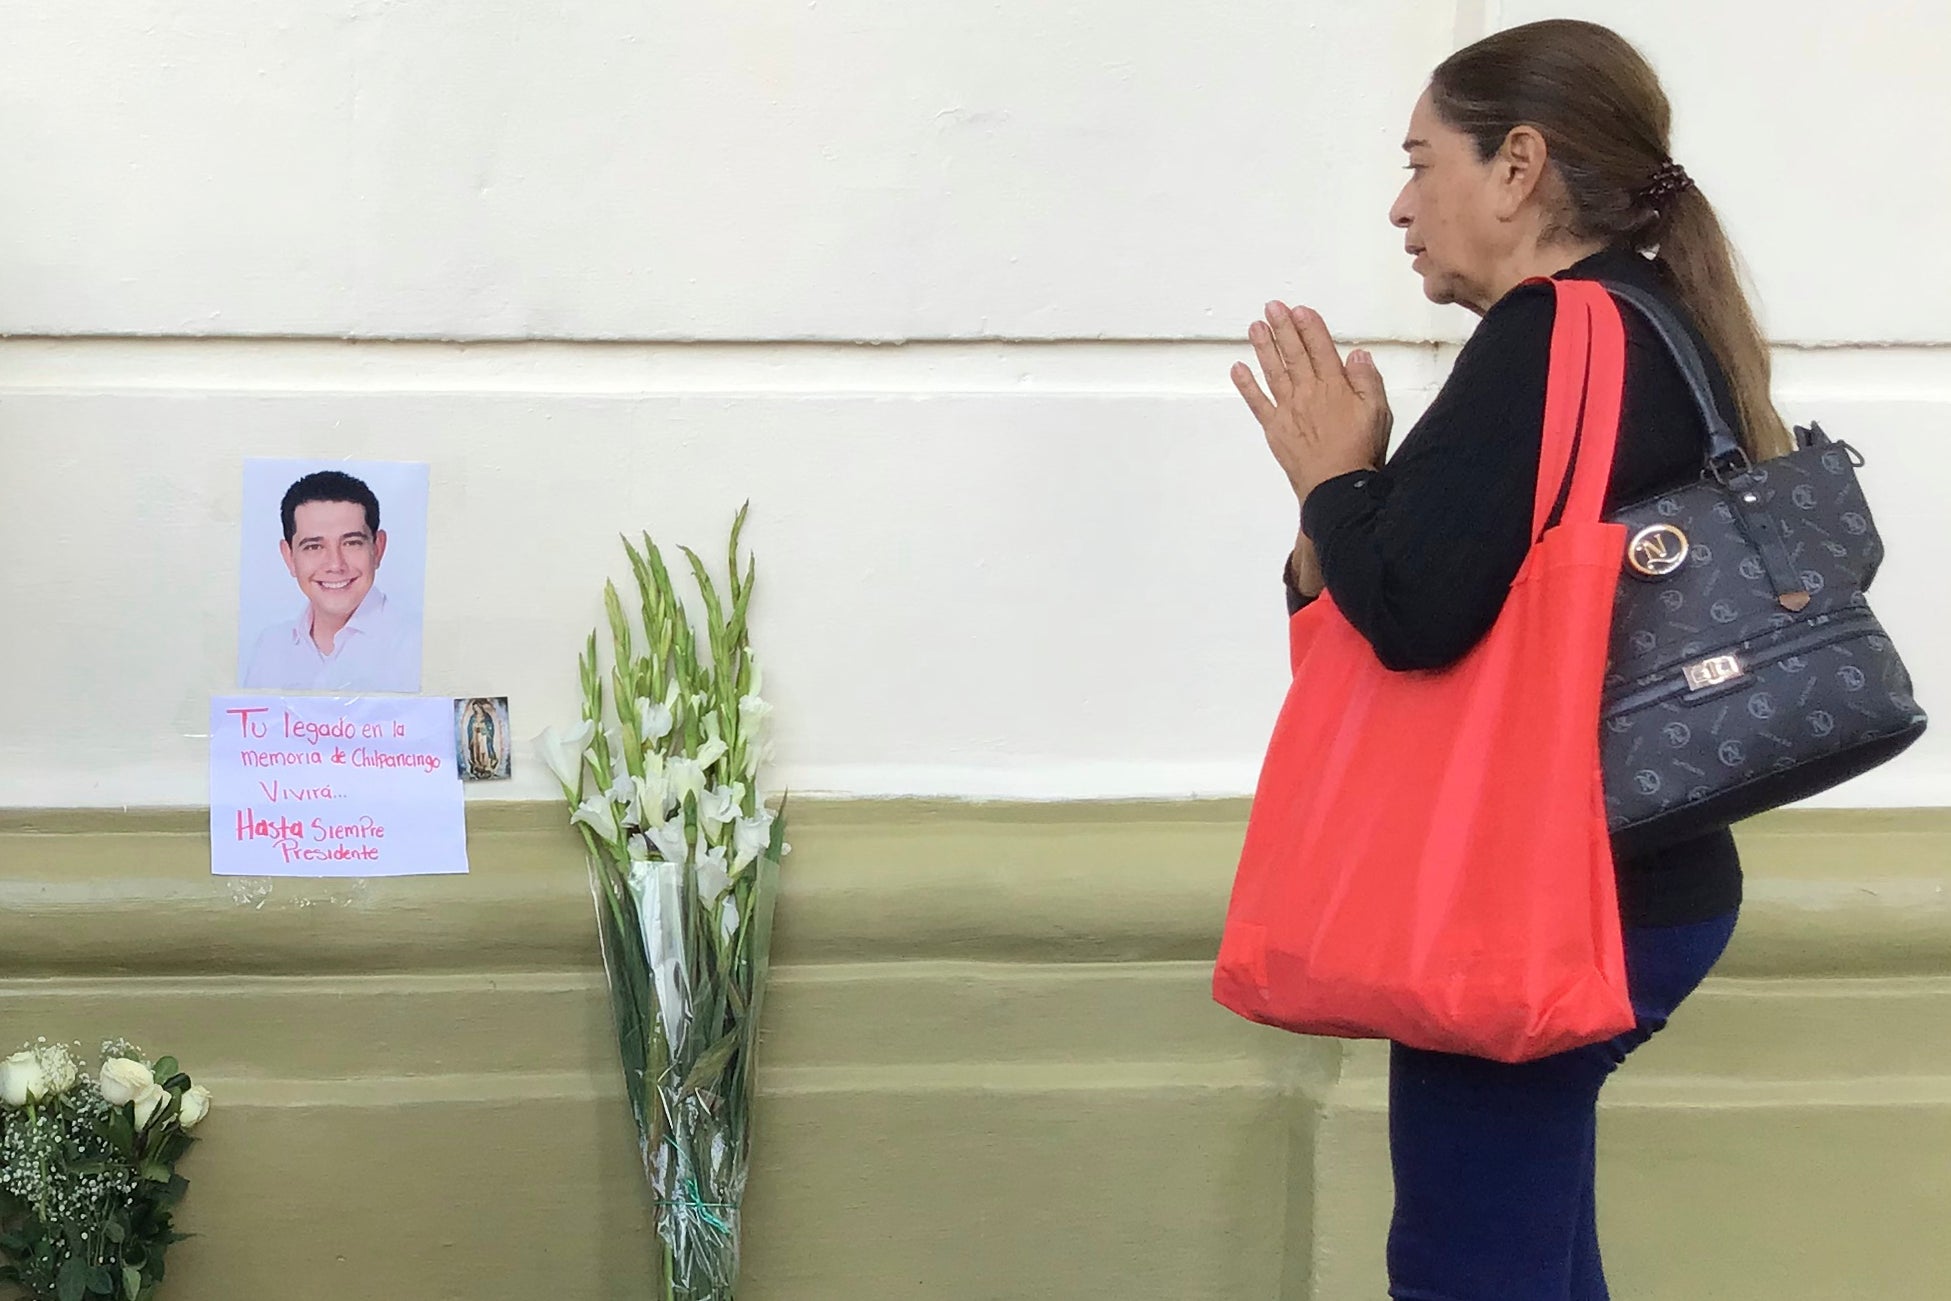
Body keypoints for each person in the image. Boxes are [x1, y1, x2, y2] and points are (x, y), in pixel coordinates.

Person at [1229, 19, 1784, 1300]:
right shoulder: (1653, 322)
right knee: (1527, 1252)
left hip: (1532, 896)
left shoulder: (1555, 336)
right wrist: (1345, 502)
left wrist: (1333, 478)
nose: (1400, 205)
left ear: (1518, 164)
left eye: (1424, 163)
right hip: (1645, 871)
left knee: (1468, 1267)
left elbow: (1417, 613)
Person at [241, 470, 421, 693]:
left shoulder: (418, 646)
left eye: (352, 543)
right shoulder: (269, 649)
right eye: (314, 546)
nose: (335, 565)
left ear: (378, 548)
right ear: (289, 557)